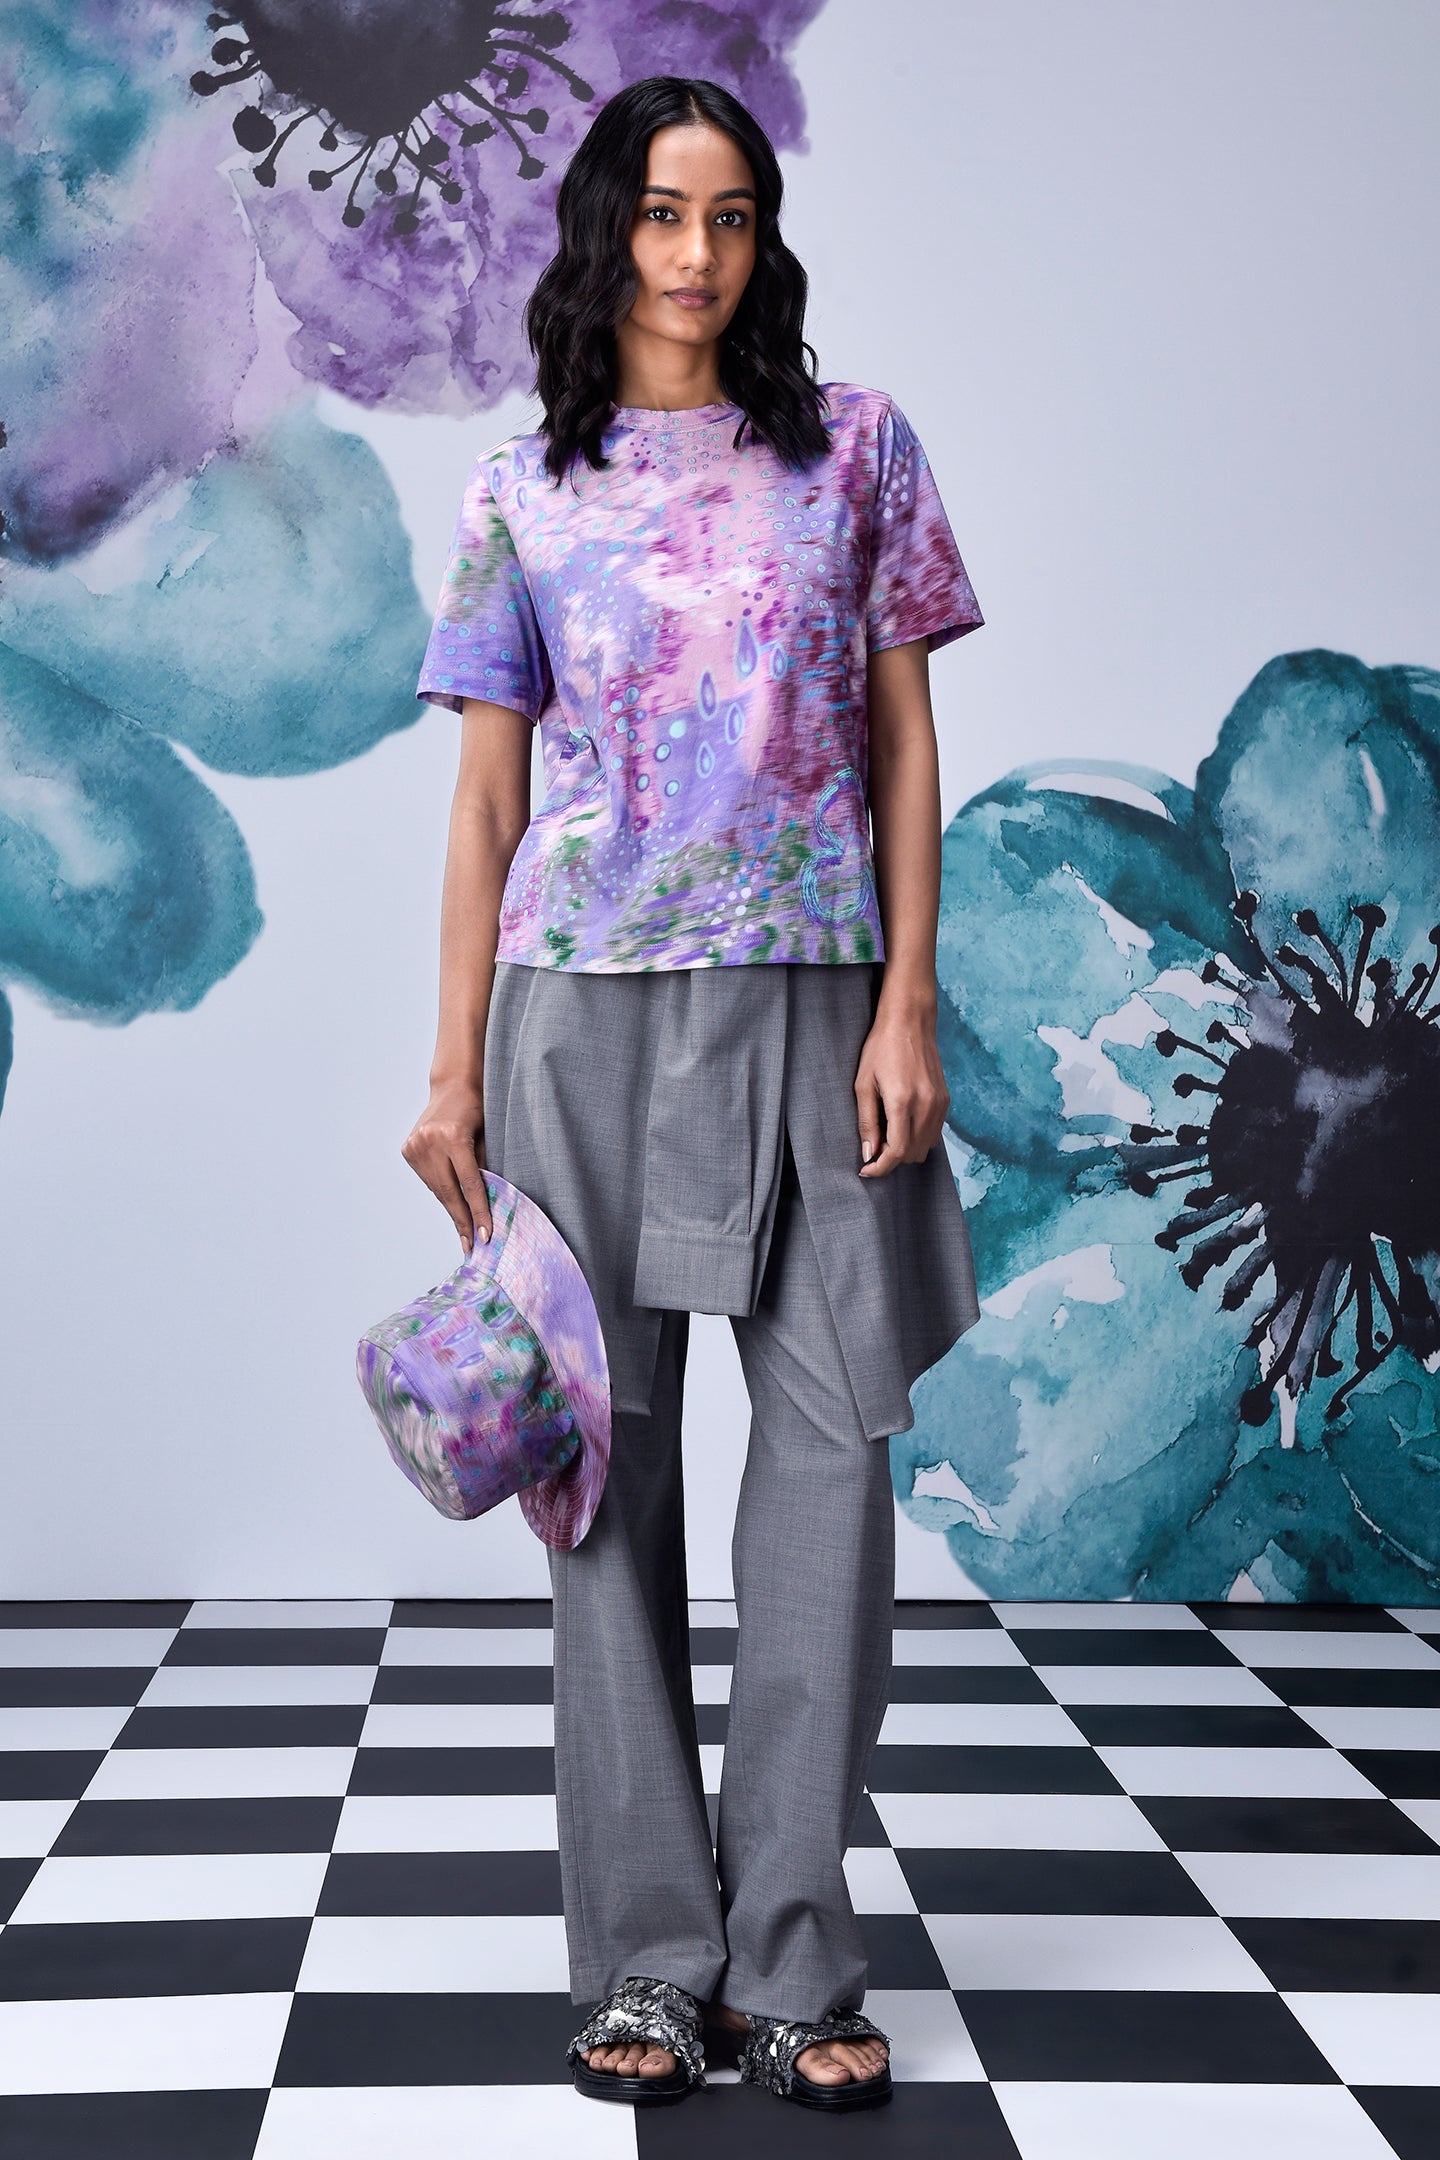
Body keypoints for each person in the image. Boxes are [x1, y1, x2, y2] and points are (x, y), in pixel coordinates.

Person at [402, 73, 984, 2114]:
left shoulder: (857, 449)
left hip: (817, 1002)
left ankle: (796, 1954)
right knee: (605, 1479)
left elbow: (903, 745)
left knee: (830, 1457)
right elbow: (485, 805)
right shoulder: (520, 492)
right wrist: (451, 1066)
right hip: (579, 1012)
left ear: (764, 238)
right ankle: (652, 1958)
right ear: (607, 231)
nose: (698, 252)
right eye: (663, 213)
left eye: (732, 214)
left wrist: (908, 1003)